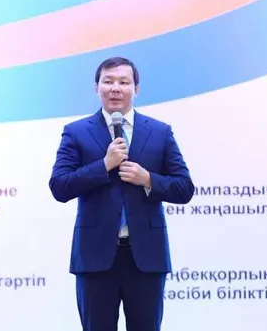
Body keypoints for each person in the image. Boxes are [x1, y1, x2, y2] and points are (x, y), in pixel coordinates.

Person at [49, 57, 194, 331]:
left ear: (136, 89)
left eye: (124, 82)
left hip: (146, 258)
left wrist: (147, 179)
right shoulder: (76, 132)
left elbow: (184, 188)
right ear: (96, 87)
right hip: (95, 258)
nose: (115, 88)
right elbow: (60, 186)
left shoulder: (160, 132)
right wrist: (104, 165)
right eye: (108, 81)